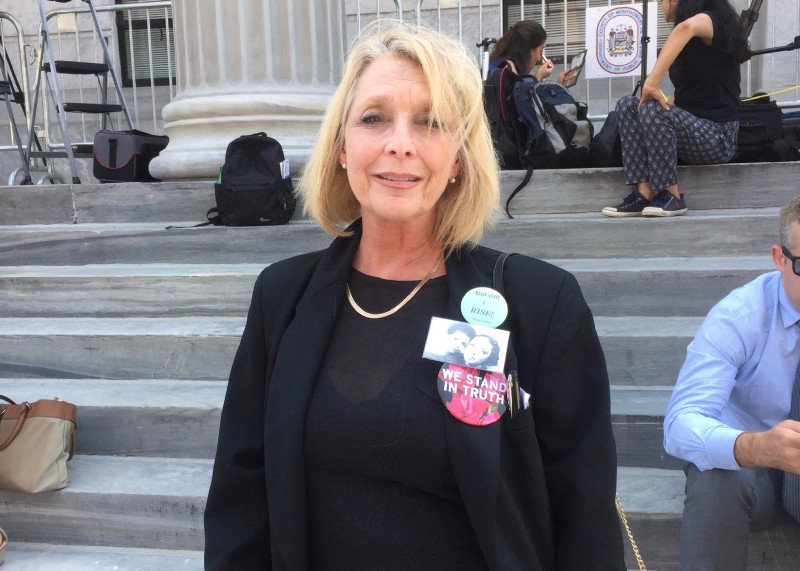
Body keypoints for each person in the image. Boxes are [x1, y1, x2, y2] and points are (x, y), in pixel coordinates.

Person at [204, 20, 625, 570]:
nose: (400, 143)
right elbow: (241, 502)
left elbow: (586, 521)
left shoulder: (540, 305)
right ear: (341, 147)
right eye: (374, 118)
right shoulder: (281, 298)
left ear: (458, 159)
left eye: (430, 123)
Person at [663, 195, 800, 569]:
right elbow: (681, 424)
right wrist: (751, 447)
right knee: (718, 473)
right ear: (779, 258)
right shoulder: (740, 314)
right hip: (760, 476)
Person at [601, 0, 749, 218]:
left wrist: (651, 83)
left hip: (718, 137)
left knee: (652, 107)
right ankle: (645, 193)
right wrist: (657, 111)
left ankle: (673, 195)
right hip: (692, 131)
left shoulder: (715, 19)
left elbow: (686, 27)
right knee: (628, 105)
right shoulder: (692, 40)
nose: (661, 5)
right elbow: (684, 93)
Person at [488, 20, 572, 84]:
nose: (539, 58)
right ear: (529, 50)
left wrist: (559, 85)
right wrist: (538, 77)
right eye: (540, 51)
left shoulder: (499, 63)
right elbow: (523, 102)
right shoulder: (507, 69)